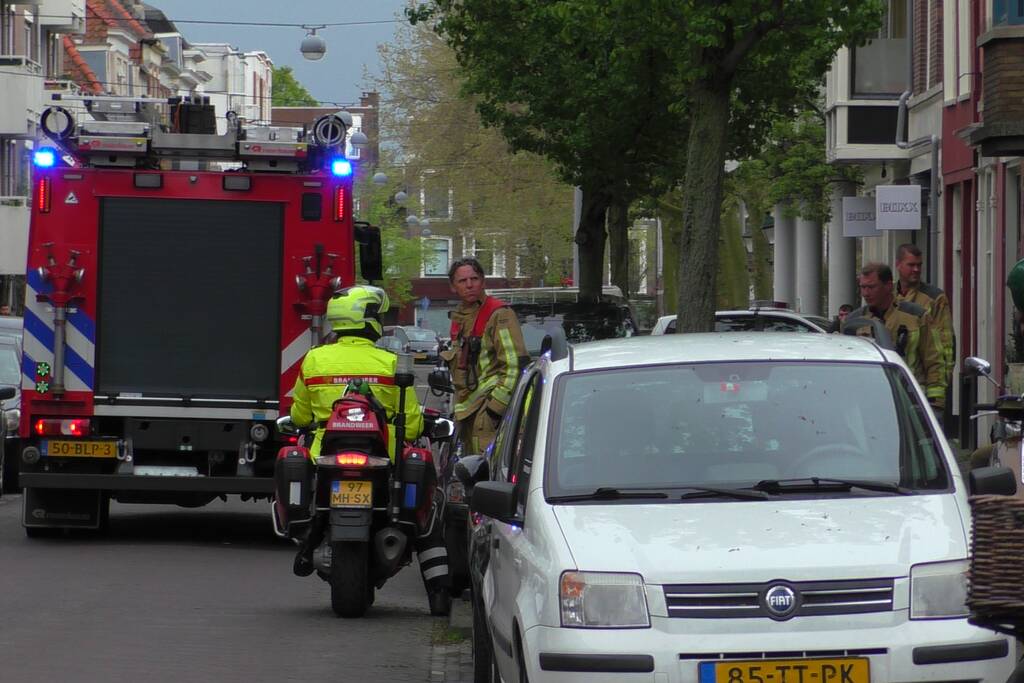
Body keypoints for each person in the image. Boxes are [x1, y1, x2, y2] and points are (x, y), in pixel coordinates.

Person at [289, 285, 447, 601]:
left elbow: (299, 415)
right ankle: (440, 595)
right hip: (384, 457)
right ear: (369, 319)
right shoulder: (390, 363)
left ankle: (308, 542)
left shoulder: (314, 360)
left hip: (325, 457)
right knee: (429, 513)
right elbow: (412, 423)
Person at [441, 257, 528, 455]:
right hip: (469, 413)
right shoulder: (460, 318)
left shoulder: (499, 314)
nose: (469, 285)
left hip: (488, 412)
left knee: (485, 473)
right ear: (453, 286)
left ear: (483, 281)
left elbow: (515, 365)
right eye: (462, 281)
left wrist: (494, 410)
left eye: (474, 279)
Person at [851, 263, 945, 410]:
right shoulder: (854, 321)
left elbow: (934, 359)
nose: (866, 293)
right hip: (867, 402)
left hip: (910, 401)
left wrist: (935, 403)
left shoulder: (915, 316)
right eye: (863, 287)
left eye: (871, 287)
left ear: (888, 285)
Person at [894, 243, 955, 386]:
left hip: (921, 382)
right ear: (898, 264)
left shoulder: (935, 298)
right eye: (911, 265)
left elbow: (946, 342)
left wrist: (942, 381)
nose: (916, 269)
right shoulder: (888, 295)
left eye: (919, 265)